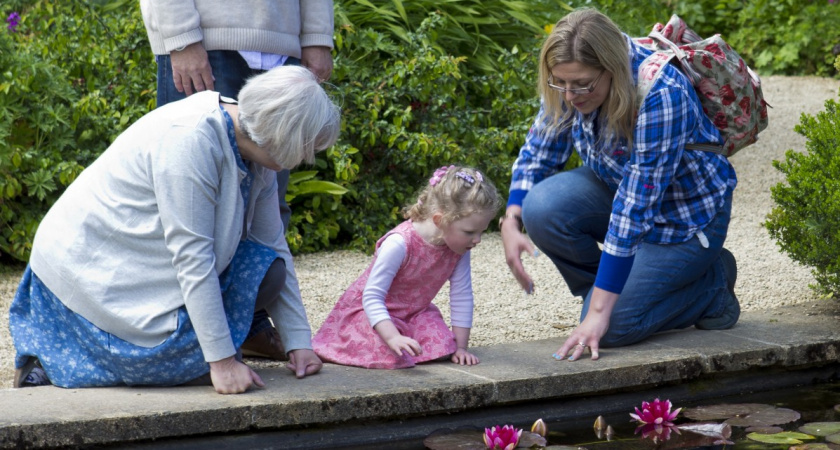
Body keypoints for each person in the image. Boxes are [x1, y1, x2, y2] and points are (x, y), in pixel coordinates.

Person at [9, 66, 341, 394]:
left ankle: (212, 346)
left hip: (142, 267)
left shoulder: (257, 148)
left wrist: (298, 342)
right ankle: (48, 359)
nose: (309, 156)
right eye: (309, 146)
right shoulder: (190, 140)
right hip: (88, 276)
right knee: (195, 367)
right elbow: (193, 259)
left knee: (270, 271)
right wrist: (222, 362)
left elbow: (272, 244)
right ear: (285, 137)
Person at [500, 9, 739, 363]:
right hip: (621, 190)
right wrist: (510, 218)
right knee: (541, 207)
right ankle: (611, 294)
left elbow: (633, 209)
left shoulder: (661, 93)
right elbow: (540, 149)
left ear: (611, 68)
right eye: (559, 83)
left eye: (582, 85)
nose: (569, 95)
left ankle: (713, 284)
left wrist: (601, 313)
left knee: (612, 328)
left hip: (686, 222)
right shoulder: (573, 79)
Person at [139, 0, 335, 360]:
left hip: (283, 43)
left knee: (268, 206)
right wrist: (180, 36)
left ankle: (244, 327)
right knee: (181, 215)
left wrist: (318, 35)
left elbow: (271, 237)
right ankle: (169, 335)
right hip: (206, 41)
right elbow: (186, 243)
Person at [312, 166, 501, 369]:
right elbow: (372, 297)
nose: (478, 240)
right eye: (470, 231)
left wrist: (461, 347)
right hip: (372, 314)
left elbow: (461, 295)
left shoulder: (459, 248)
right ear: (440, 220)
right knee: (390, 352)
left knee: (445, 344)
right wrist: (392, 337)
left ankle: (407, 340)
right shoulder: (399, 244)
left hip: (414, 313)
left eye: (482, 231)